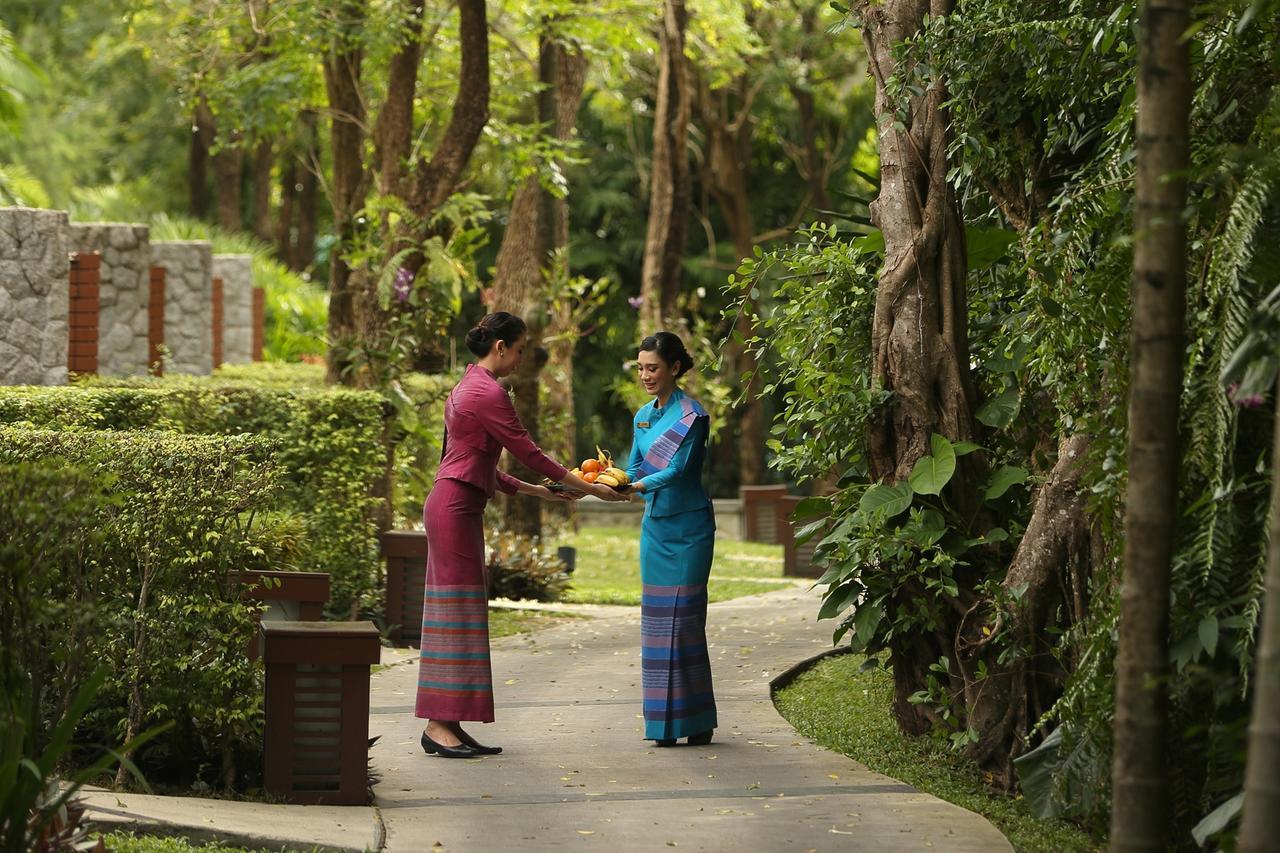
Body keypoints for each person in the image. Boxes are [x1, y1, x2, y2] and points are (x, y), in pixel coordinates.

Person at [417, 311, 627, 759]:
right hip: (454, 507)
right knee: (455, 615)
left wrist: (539, 493)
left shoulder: (466, 385)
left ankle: (447, 721)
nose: (520, 358)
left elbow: (479, 463)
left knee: (461, 612)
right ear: (500, 348)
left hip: (455, 503)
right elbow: (528, 451)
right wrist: (590, 488)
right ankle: (437, 725)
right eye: (519, 349)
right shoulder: (488, 392)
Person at [625, 331, 717, 747]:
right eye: (641, 367)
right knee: (658, 626)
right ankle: (663, 726)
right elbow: (633, 466)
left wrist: (637, 487)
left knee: (684, 624)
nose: (645, 375)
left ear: (674, 368)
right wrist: (601, 483)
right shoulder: (643, 415)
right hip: (655, 530)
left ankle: (696, 721)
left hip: (690, 530)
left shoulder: (692, 416)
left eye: (653, 368)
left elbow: (678, 471)